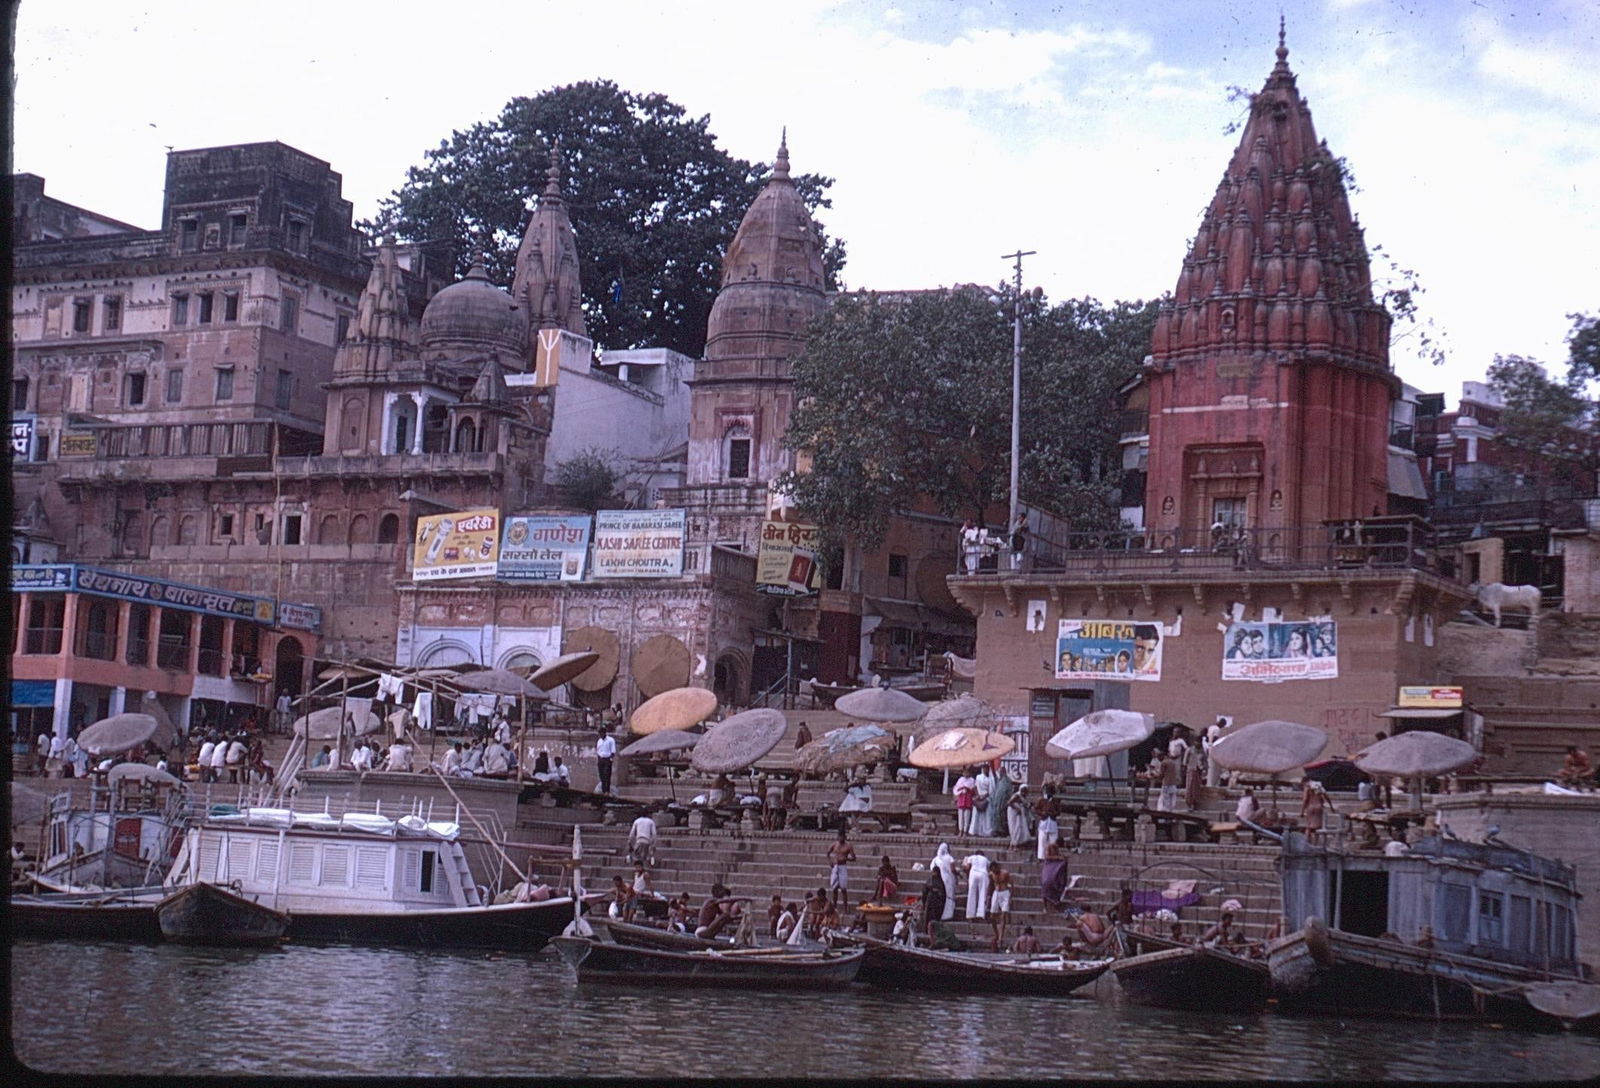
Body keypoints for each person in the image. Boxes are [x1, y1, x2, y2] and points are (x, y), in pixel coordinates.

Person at [826, 828, 856, 908]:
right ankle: (834, 907)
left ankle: (845, 907)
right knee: (834, 888)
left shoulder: (848, 846)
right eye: (839, 836)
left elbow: (854, 858)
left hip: (843, 867)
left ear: (845, 837)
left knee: (843, 889)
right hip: (835, 867)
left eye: (842, 836)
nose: (841, 838)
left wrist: (846, 858)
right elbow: (828, 853)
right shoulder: (834, 845)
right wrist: (830, 861)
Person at [930, 843, 957, 922]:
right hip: (948, 879)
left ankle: (940, 915)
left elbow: (932, 869)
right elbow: (952, 870)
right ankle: (948, 915)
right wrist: (957, 874)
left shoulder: (935, 859)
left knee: (941, 896)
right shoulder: (949, 858)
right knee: (949, 896)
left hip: (939, 880)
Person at [989, 863, 1014, 949]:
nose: (994, 871)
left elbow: (1011, 885)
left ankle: (1000, 937)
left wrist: (1010, 897)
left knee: (1003, 916)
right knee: (992, 916)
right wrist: (988, 896)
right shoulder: (991, 874)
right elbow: (990, 885)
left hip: (1005, 893)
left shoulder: (1005, 873)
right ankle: (996, 933)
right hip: (996, 893)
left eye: (995, 869)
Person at [963, 851, 990, 922]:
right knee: (982, 894)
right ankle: (981, 914)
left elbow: (967, 867)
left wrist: (964, 867)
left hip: (973, 873)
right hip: (983, 874)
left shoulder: (971, 857)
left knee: (971, 894)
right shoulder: (985, 859)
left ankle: (970, 915)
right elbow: (989, 868)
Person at [920, 869, 947, 940]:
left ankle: (935, 931)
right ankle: (928, 930)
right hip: (930, 902)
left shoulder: (940, 882)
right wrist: (924, 901)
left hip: (937, 903)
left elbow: (943, 894)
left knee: (935, 917)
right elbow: (924, 891)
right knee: (928, 917)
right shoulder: (930, 880)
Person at [953, 770, 977, 836]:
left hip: (968, 799)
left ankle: (965, 831)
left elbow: (973, 791)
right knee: (960, 816)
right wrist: (961, 788)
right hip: (961, 798)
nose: (966, 774)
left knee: (967, 816)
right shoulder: (960, 780)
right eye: (965, 772)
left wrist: (968, 789)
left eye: (967, 772)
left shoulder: (972, 780)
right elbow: (956, 789)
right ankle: (960, 830)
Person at [595, 727, 616, 794]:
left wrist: (610, 759)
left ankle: (607, 790)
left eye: (601, 733)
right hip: (601, 759)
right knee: (601, 775)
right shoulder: (599, 741)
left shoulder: (610, 740)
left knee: (607, 775)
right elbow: (598, 750)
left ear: (604, 733)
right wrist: (599, 758)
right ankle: (603, 790)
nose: (600, 735)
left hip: (607, 759)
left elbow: (613, 751)